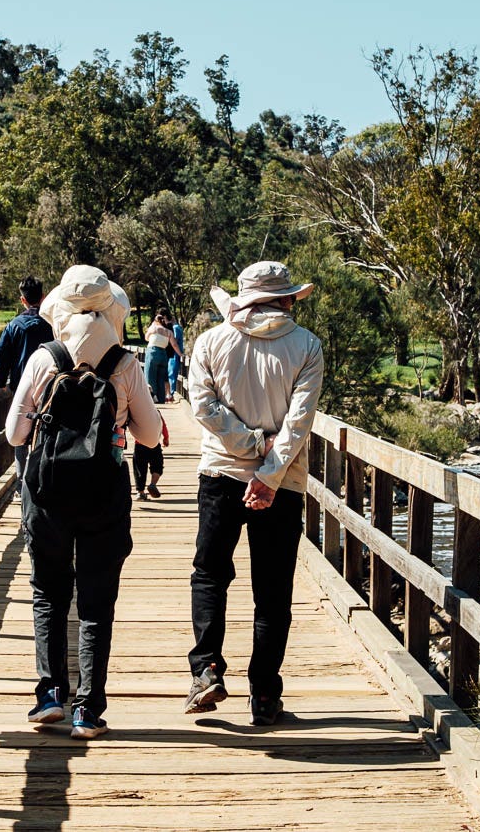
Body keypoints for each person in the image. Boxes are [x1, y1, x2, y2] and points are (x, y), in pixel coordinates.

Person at [6, 265, 161, 741]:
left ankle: (51, 694)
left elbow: (14, 433)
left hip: (47, 492)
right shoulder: (124, 363)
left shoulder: (45, 358)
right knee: (96, 601)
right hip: (103, 492)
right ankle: (88, 711)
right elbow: (150, 435)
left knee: (48, 592)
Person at [183, 261, 324, 726]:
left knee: (210, 575)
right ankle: (263, 694)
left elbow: (203, 407)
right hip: (283, 484)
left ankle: (206, 669)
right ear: (283, 299)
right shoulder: (307, 346)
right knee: (273, 590)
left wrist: (248, 446)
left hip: (221, 474)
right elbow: (299, 423)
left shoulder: (210, 342)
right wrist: (268, 472)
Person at [0, 277, 55, 480]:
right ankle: (46, 477)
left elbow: (2, 357)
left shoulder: (14, 326)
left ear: (23, 300)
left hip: (22, 386)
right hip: (51, 388)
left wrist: (0, 383)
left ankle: (22, 483)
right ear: (43, 297)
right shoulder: (52, 324)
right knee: (49, 429)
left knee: (20, 434)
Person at [143, 309, 182, 404]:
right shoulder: (169, 332)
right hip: (163, 354)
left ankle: (151, 399)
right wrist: (181, 354)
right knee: (161, 379)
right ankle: (161, 399)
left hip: (152, 352)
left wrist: (152, 326)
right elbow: (174, 344)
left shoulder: (154, 328)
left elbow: (146, 338)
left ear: (156, 321)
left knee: (150, 377)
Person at [133, 415, 169, 500]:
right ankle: (153, 484)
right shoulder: (156, 413)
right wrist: (166, 438)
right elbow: (162, 425)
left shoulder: (137, 413)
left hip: (140, 444)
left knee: (139, 469)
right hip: (154, 443)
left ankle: (140, 492)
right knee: (157, 465)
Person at [166, 318, 185, 402]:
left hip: (175, 354)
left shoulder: (175, 328)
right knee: (172, 374)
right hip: (176, 353)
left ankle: (171, 393)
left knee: (172, 374)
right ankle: (171, 393)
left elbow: (175, 340)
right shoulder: (178, 327)